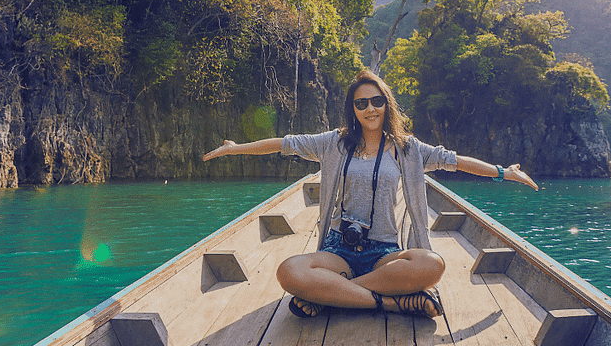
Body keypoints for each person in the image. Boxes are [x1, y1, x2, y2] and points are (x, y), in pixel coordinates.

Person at [202, 70, 538, 319]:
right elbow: (284, 144)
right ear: (353, 108)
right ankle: (389, 302)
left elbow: (455, 161)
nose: (370, 108)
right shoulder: (333, 142)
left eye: (376, 101)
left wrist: (502, 172)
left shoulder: (409, 150)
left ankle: (331, 294)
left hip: (384, 253)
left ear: (386, 104)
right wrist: (235, 149)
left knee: (431, 264)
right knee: (289, 271)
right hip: (339, 250)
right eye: (361, 103)